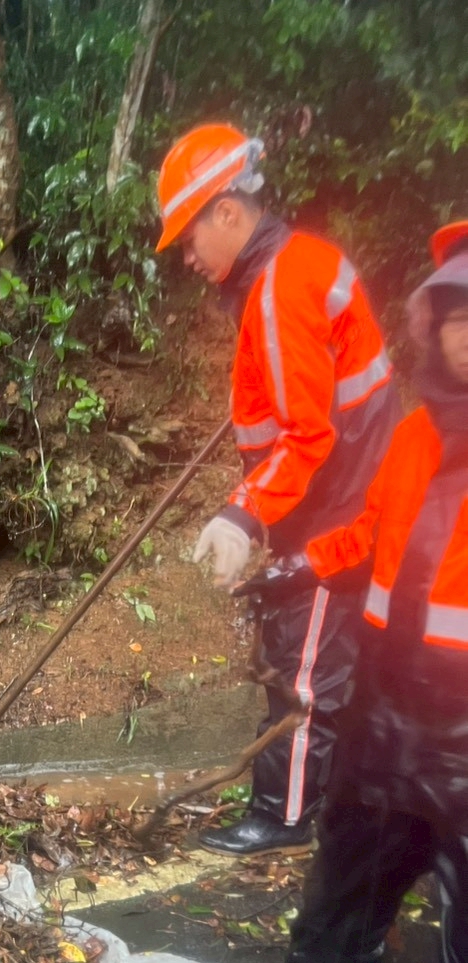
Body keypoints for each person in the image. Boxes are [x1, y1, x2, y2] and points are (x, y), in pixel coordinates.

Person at [244, 224, 468, 963]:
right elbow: (372, 533)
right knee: (352, 846)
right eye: (455, 316)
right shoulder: (414, 435)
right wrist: (302, 564)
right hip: (387, 693)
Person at [155, 125, 398, 856]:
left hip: (334, 513)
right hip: (338, 498)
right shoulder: (291, 269)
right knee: (320, 663)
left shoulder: (280, 290)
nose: (188, 257)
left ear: (228, 211)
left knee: (302, 671)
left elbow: (308, 437)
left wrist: (243, 515)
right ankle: (327, 798)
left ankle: (284, 817)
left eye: (190, 237)